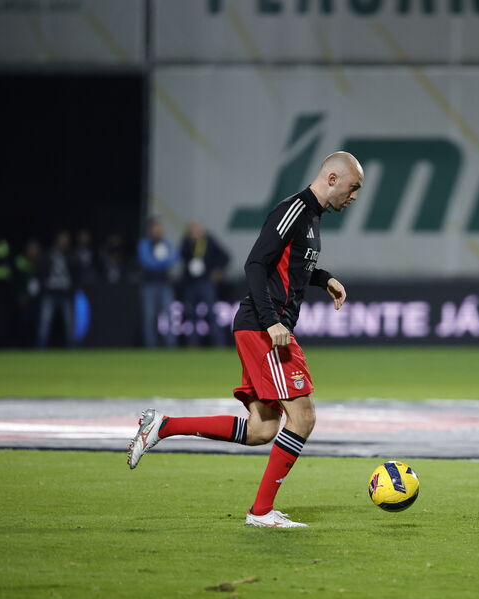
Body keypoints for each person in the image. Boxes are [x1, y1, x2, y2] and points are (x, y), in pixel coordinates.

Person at [127, 152, 362, 528]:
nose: (354, 196)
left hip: (262, 327)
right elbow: (255, 263)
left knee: (262, 429)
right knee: (303, 416)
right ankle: (261, 512)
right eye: (353, 187)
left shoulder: (313, 216)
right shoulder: (294, 210)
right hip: (264, 329)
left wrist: (324, 278)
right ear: (332, 178)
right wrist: (271, 322)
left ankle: (163, 426)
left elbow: (296, 266)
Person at [180, 220, 230, 346]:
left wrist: (217, 270)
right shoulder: (186, 242)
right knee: (191, 315)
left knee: (211, 314)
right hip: (191, 284)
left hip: (206, 282)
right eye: (193, 230)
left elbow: (225, 256)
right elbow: (181, 257)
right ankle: (193, 344)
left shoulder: (209, 241)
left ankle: (218, 344)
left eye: (197, 229)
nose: (195, 232)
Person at [138, 217, 178, 348]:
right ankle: (150, 346)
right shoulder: (145, 244)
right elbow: (147, 262)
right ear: (150, 230)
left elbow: (175, 257)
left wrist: (160, 262)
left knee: (169, 315)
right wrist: (162, 262)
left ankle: (170, 345)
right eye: (155, 228)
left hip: (165, 284)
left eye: (159, 228)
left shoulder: (166, 243)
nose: (158, 230)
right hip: (149, 284)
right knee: (149, 317)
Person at [36, 230, 76, 348]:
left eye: (66, 240)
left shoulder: (71, 255)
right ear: (57, 241)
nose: (64, 242)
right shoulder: (48, 255)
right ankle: (41, 347)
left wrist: (72, 287)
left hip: (65, 293)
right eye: (62, 239)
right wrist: (44, 285)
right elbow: (40, 271)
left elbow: (76, 272)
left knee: (69, 322)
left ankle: (71, 347)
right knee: (45, 321)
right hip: (50, 292)